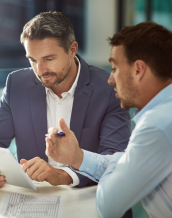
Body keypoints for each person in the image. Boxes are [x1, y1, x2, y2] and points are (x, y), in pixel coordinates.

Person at [0, 12, 131, 191]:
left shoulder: (109, 88)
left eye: (49, 59)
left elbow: (115, 160)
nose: (40, 70)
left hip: (89, 196)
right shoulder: (16, 84)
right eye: (32, 60)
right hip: (33, 198)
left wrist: (62, 176)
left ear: (72, 50)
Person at [45, 21, 172, 218]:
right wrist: (77, 157)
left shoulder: (155, 126)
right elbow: (127, 164)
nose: (110, 79)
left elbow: (108, 206)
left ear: (138, 70)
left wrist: (123, 156)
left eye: (114, 68)